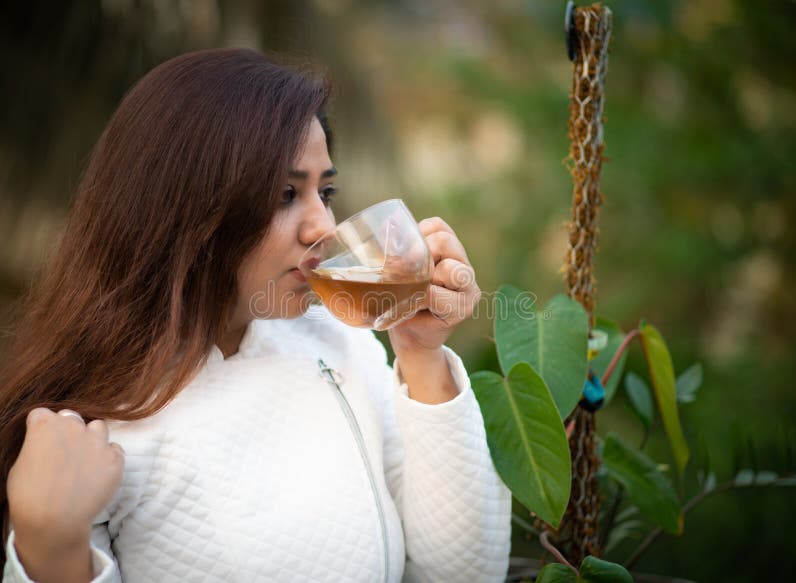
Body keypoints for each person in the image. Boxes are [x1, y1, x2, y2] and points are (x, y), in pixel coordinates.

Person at [0, 48, 511, 583]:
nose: (322, 226)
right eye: (285, 194)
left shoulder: (337, 339)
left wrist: (420, 351)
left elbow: (462, 573)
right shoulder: (86, 430)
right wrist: (49, 545)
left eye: (325, 191)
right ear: (185, 209)